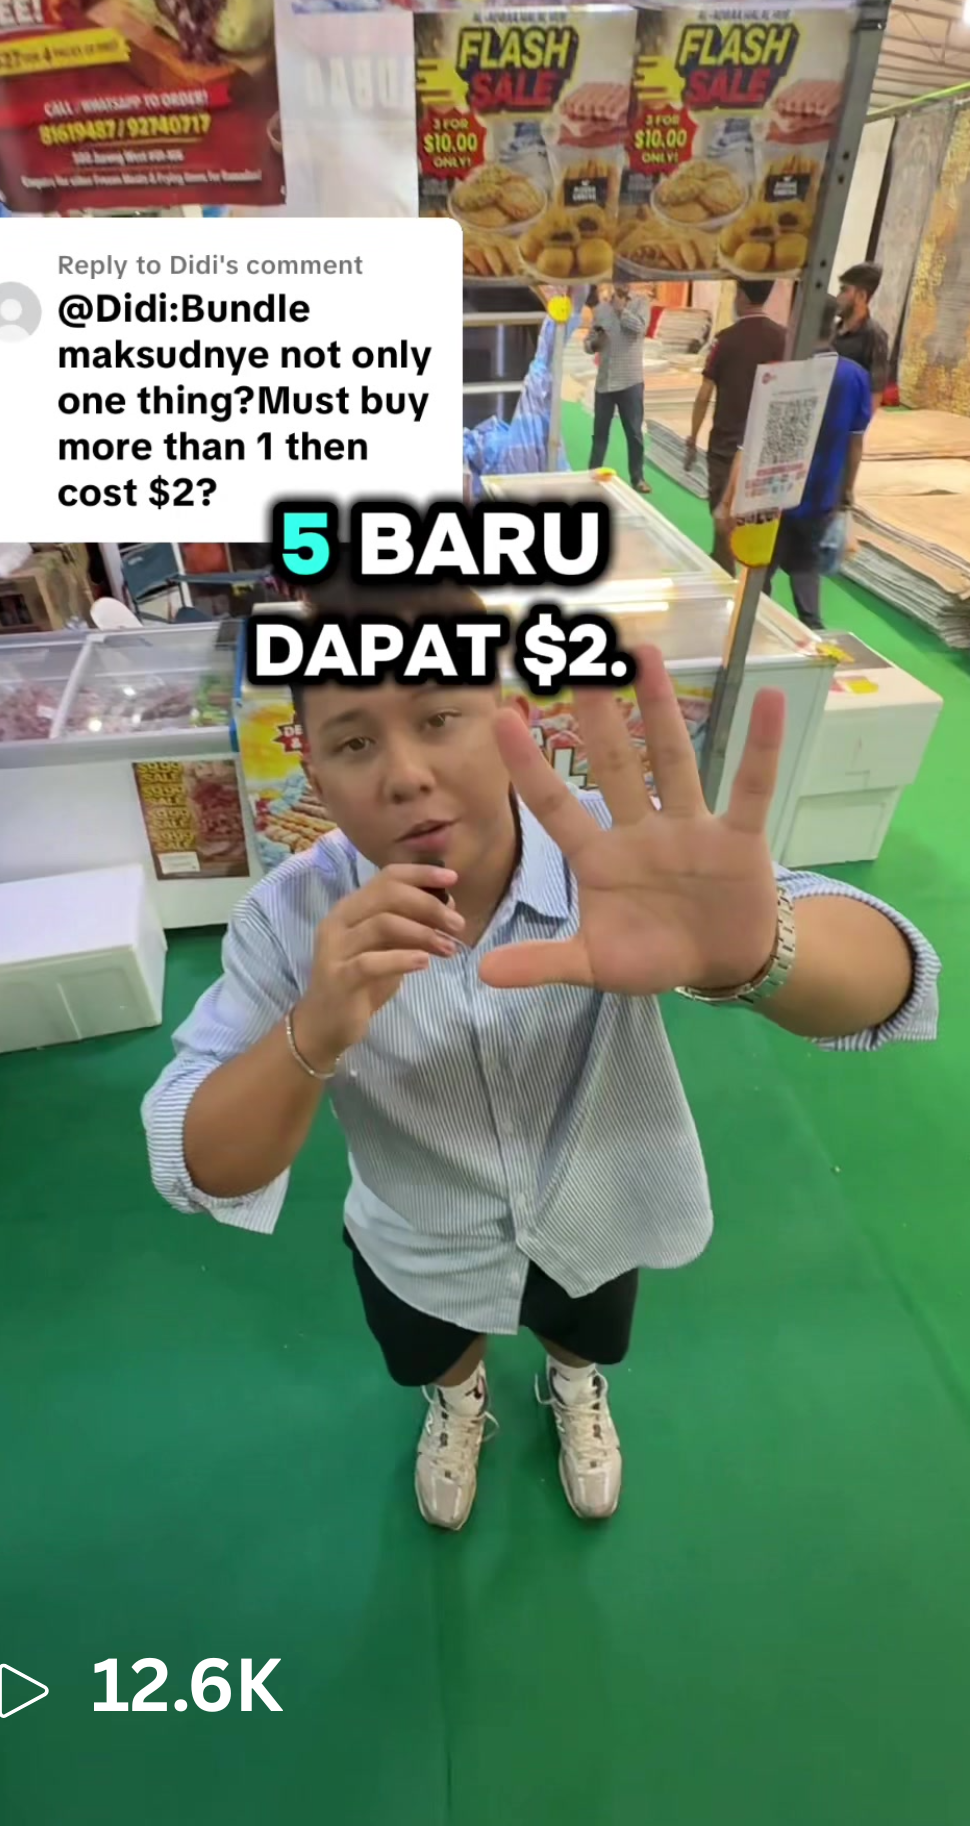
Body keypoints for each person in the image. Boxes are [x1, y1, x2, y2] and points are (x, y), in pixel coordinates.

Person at [143, 577, 939, 1534]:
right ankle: (458, 1402)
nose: (402, 774)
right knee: (436, 1346)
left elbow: (893, 978)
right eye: (356, 741)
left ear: (511, 721)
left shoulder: (619, 854)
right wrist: (312, 1030)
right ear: (314, 772)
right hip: (417, 1234)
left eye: (439, 717)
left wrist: (758, 950)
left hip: (599, 1204)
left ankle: (574, 1387)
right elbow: (201, 1160)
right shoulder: (290, 919)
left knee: (584, 1331)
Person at [719, 297, 872, 633]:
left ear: (797, 325)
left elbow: (754, 444)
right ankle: (811, 637)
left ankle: (755, 637)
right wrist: (845, 492)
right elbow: (855, 444)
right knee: (806, 577)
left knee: (759, 578)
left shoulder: (784, 375)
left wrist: (731, 499)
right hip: (821, 497)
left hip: (775, 497)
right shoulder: (856, 377)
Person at [685, 279, 786, 575]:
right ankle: (755, 589)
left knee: (722, 518)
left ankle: (723, 579)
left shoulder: (725, 340)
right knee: (758, 522)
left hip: (726, 447)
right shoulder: (783, 339)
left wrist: (692, 437)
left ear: (741, 295)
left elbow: (704, 394)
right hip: (764, 451)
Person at [585, 281, 652, 493]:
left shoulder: (641, 304)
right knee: (600, 434)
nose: (622, 282)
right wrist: (595, 342)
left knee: (634, 433)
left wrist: (621, 309)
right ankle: (592, 475)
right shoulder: (602, 309)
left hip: (630, 381)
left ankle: (638, 477)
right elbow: (588, 344)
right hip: (605, 382)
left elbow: (640, 329)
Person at [835, 261, 890, 413]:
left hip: (847, 419)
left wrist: (860, 429)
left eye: (844, 290)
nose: (838, 297)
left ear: (861, 296)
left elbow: (876, 389)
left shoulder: (875, 336)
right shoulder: (832, 330)